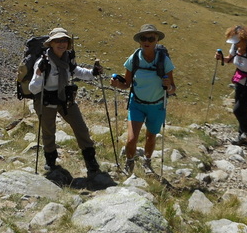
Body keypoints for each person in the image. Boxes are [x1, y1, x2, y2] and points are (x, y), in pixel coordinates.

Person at [28, 27, 104, 179]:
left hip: (64, 99)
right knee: (49, 131)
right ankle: (50, 161)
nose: (61, 44)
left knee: (81, 128)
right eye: (57, 41)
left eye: (64, 41)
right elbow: (33, 88)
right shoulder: (43, 62)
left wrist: (93, 73)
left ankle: (91, 161)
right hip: (46, 100)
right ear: (51, 43)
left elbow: (77, 71)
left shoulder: (67, 58)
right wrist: (39, 73)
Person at [110, 24, 175, 174]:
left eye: (151, 39)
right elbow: (126, 84)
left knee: (150, 137)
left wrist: (168, 87)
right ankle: (129, 162)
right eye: (143, 38)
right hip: (136, 104)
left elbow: (173, 88)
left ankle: (147, 161)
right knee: (131, 139)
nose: (147, 41)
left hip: (157, 106)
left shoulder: (164, 60)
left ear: (157, 40)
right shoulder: (134, 58)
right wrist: (117, 84)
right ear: (139, 40)